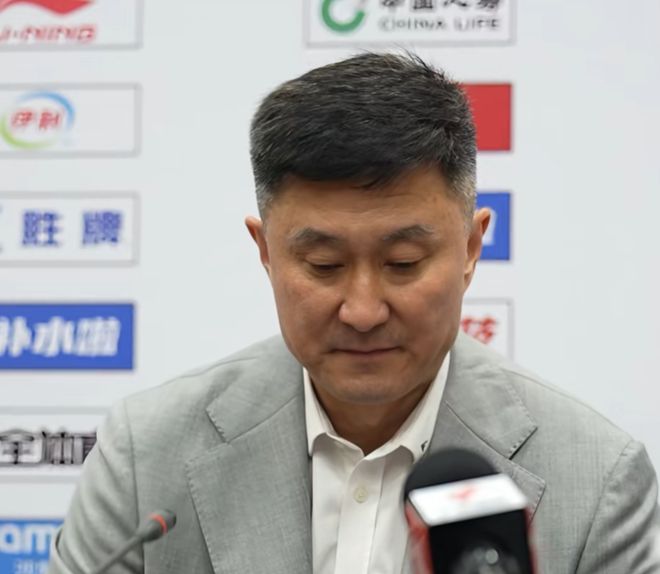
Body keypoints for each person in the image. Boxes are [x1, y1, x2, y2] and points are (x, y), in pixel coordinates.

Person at [48, 53, 660, 574]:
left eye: (403, 263)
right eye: (324, 265)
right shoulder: (147, 454)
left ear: (472, 248)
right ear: (266, 252)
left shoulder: (598, 481)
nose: (363, 311)